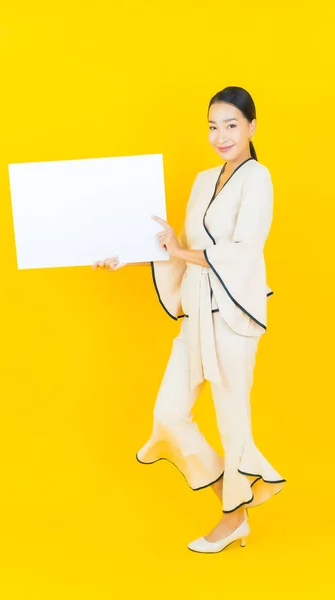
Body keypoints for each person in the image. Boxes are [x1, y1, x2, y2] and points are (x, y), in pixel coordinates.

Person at [92, 86, 286, 553]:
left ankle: (228, 518)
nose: (220, 136)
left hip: (234, 315)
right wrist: (128, 257)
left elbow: (243, 250)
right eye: (213, 126)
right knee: (169, 413)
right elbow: (176, 250)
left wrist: (180, 250)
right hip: (197, 312)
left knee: (232, 419)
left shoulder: (257, 178)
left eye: (231, 125)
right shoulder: (203, 180)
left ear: (252, 128)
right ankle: (236, 510)